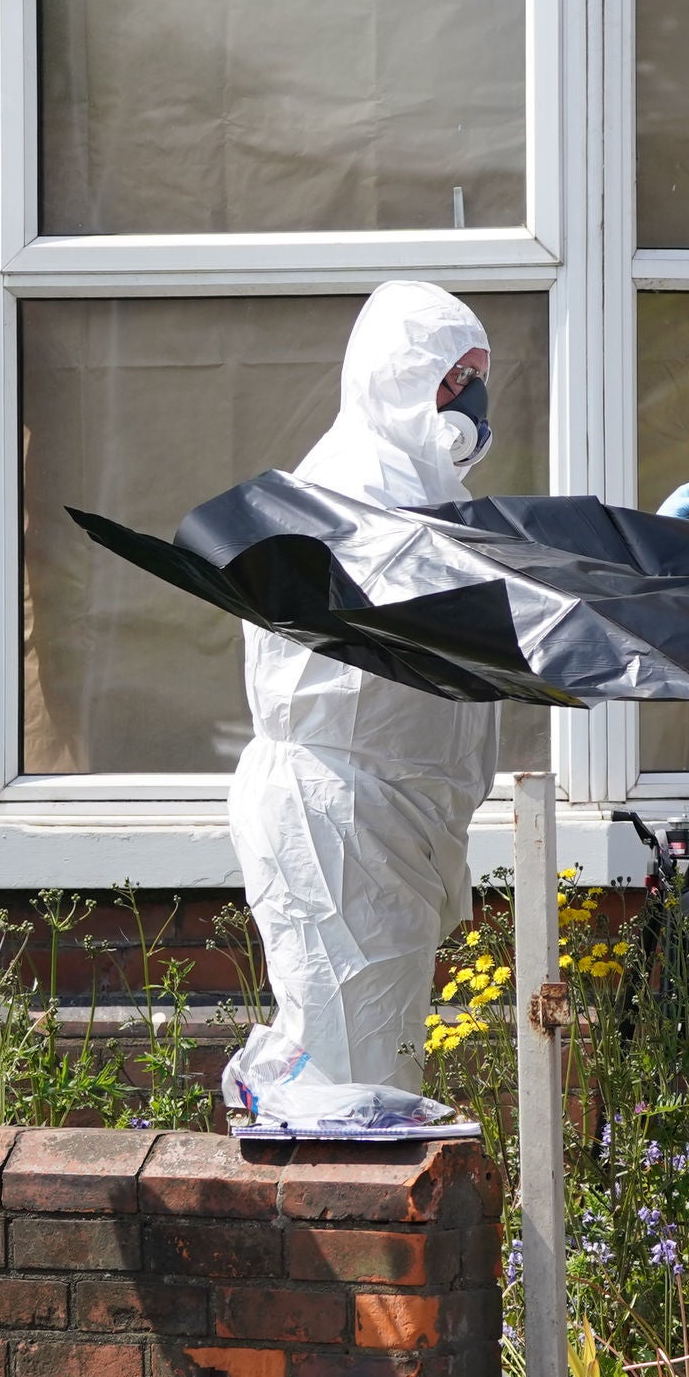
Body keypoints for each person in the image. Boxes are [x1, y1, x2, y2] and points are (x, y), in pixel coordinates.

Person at [226, 282, 500, 1107]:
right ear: (398, 374)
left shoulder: (427, 492)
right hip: (337, 807)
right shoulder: (351, 483)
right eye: (454, 376)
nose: (471, 397)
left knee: (371, 1061)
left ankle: (352, 1222)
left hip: (386, 808)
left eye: (480, 375)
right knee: (352, 1081)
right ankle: (336, 1232)